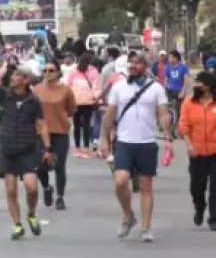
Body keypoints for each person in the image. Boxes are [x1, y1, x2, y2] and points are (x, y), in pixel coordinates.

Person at [99, 53, 173, 242]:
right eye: (131, 63)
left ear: (146, 67)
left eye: (137, 63)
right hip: (124, 141)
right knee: (120, 180)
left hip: (147, 142)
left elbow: (163, 113)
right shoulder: (119, 87)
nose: (132, 66)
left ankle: (146, 228)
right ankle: (128, 215)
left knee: (145, 186)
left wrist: (168, 138)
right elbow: (109, 115)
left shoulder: (156, 88)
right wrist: (104, 139)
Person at [0, 67, 54, 239]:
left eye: (17, 75)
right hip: (7, 150)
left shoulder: (33, 101)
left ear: (26, 80)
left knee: (32, 188)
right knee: (11, 190)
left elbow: (41, 125)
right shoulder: (5, 96)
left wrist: (48, 148)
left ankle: (31, 213)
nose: (13, 78)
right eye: (13, 75)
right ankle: (17, 225)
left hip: (27, 150)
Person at [34, 60, 76, 210]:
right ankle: (46, 187)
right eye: (44, 71)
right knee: (39, 166)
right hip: (40, 132)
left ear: (58, 72)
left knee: (59, 165)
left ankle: (60, 197)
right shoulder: (37, 89)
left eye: (51, 70)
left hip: (60, 131)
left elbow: (71, 109)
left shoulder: (66, 90)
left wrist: (62, 118)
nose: (47, 74)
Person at [179, 71, 216, 230]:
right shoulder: (189, 102)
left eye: (199, 84)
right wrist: (189, 145)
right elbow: (184, 127)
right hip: (197, 152)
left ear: (208, 87)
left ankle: (214, 218)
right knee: (197, 187)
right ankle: (199, 208)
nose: (195, 86)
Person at [67, 54, 101, 157]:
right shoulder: (93, 71)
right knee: (86, 125)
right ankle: (86, 149)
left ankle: (77, 149)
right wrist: (96, 98)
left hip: (75, 101)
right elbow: (96, 86)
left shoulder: (74, 71)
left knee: (76, 125)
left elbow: (69, 85)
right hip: (88, 101)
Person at [165, 50, 190, 123]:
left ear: (175, 58)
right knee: (168, 108)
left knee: (179, 109)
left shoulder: (183, 67)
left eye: (170, 57)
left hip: (179, 90)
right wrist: (166, 86)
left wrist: (183, 91)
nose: (169, 59)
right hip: (170, 90)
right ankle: (168, 123)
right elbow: (166, 78)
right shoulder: (168, 67)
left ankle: (180, 125)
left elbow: (186, 81)